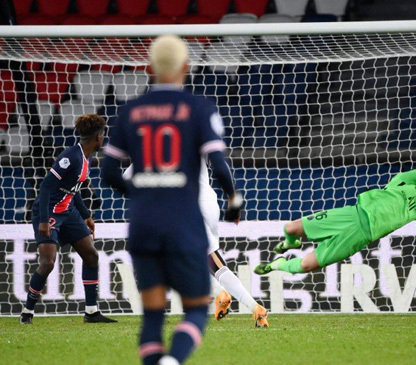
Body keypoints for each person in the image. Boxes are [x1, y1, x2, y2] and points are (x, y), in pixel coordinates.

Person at [101, 35, 245, 365]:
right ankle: (173, 360)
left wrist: (142, 195)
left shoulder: (130, 112)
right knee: (196, 308)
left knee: (153, 315)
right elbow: (219, 166)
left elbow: (109, 173)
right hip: (184, 222)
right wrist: (234, 199)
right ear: (186, 67)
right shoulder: (199, 109)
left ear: (150, 69)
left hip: (144, 224)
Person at [254, 163, 416, 275]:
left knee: (305, 266)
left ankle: (277, 264)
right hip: (351, 215)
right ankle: (289, 243)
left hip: (359, 237)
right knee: (291, 228)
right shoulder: (404, 180)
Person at [123, 161, 269, 326]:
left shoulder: (151, 145)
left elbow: (124, 179)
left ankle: (220, 293)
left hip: (185, 207)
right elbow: (220, 165)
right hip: (210, 204)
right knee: (212, 262)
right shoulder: (196, 135)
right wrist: (232, 197)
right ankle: (255, 307)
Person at [20, 114, 116, 324]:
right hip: (49, 212)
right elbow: (46, 186)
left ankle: (91, 311)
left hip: (68, 211)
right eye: (103, 135)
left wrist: (86, 216)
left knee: (91, 255)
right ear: (99, 137)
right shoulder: (71, 156)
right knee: (48, 262)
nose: (104, 138)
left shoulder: (85, 157)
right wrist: (44, 219)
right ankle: (27, 311)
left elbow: (74, 189)